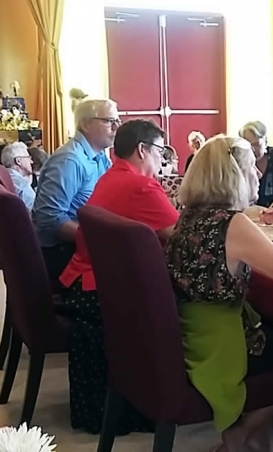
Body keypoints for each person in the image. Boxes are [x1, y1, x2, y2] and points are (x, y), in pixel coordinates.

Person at [166, 135, 273, 452]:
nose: (259, 175)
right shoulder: (232, 223)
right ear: (234, 175)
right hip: (222, 344)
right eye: (252, 168)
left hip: (191, 335)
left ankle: (258, 441)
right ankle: (241, 436)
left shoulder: (190, 216)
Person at [58, 119, 177, 434]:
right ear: (142, 150)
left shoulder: (110, 178)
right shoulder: (141, 185)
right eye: (160, 152)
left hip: (84, 283)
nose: (162, 161)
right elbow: (183, 236)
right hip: (105, 290)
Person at [33, 99, 116, 281]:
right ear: (86, 124)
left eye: (117, 121)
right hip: (60, 253)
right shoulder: (69, 160)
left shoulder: (101, 157)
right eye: (109, 121)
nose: (116, 127)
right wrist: (96, 240)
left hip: (79, 246)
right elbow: (49, 217)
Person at [1, 141, 35, 211]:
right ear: (18, 161)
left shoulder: (4, 177)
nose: (31, 162)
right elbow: (37, 214)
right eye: (28, 158)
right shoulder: (22, 186)